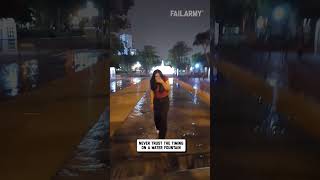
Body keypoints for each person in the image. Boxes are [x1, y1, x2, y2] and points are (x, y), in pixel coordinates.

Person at [150, 69, 171, 139]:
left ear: (161, 75)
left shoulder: (165, 78)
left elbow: (168, 88)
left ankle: (162, 137)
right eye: (156, 76)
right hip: (156, 101)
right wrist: (152, 103)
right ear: (154, 76)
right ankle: (158, 128)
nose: (157, 78)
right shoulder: (152, 81)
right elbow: (152, 92)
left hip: (165, 101)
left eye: (159, 76)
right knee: (156, 118)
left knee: (163, 119)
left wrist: (162, 82)